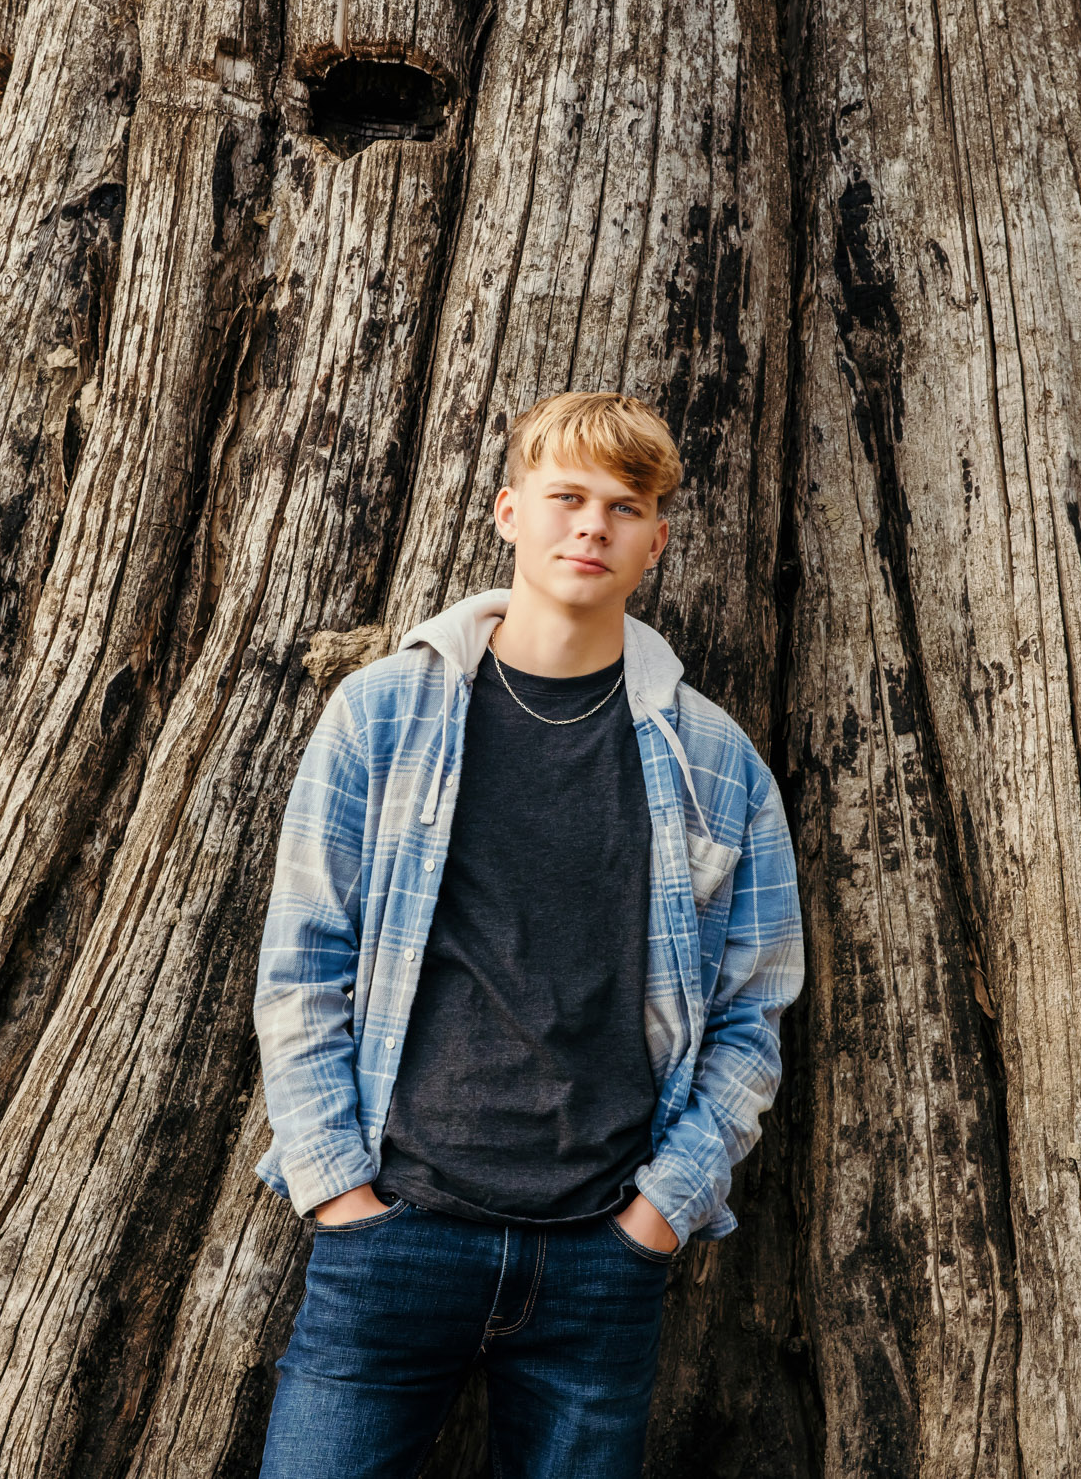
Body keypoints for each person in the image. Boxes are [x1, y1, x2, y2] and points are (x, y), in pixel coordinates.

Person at [251, 390, 805, 1478]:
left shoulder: (714, 760)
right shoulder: (385, 712)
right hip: (392, 1232)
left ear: (655, 538)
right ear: (509, 511)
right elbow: (302, 962)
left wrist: (662, 1211)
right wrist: (337, 1194)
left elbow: (753, 1010)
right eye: (566, 496)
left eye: (623, 504)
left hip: (601, 1253)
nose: (591, 524)